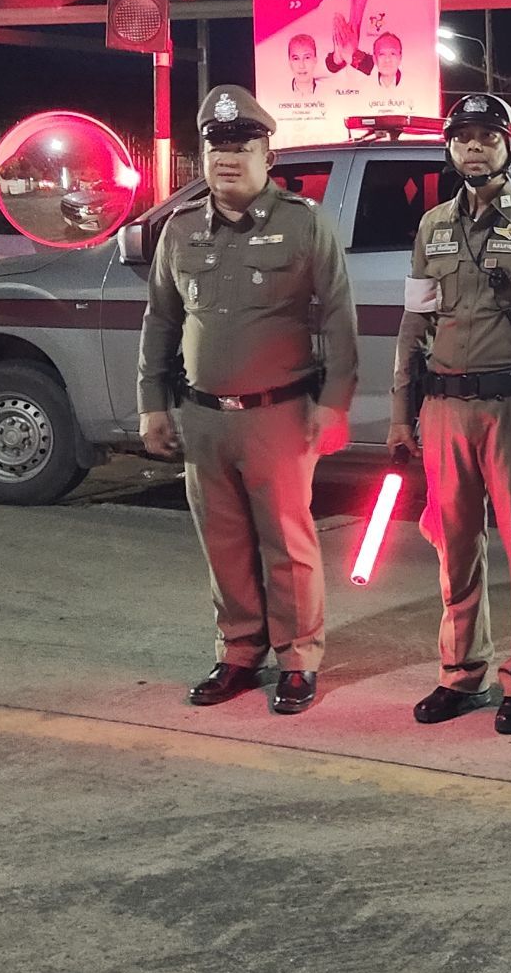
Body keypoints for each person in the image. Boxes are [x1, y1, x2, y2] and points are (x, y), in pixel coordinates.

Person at [139, 85, 360, 714]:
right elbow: (161, 320)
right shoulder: (181, 229)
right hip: (203, 416)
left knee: (287, 544)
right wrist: (152, 402)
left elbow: (339, 316)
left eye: (241, 147)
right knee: (224, 542)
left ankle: (298, 659)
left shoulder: (304, 223)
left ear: (268, 154)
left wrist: (335, 402)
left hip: (279, 415)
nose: (227, 159)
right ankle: (238, 652)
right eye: (217, 147)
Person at [387, 92, 511, 735]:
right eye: (463, 138)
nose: (473, 147)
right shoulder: (432, 228)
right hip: (445, 408)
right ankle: (461, 673)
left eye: (487, 137)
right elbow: (415, 323)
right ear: (450, 149)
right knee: (453, 545)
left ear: (510, 148)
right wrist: (401, 412)